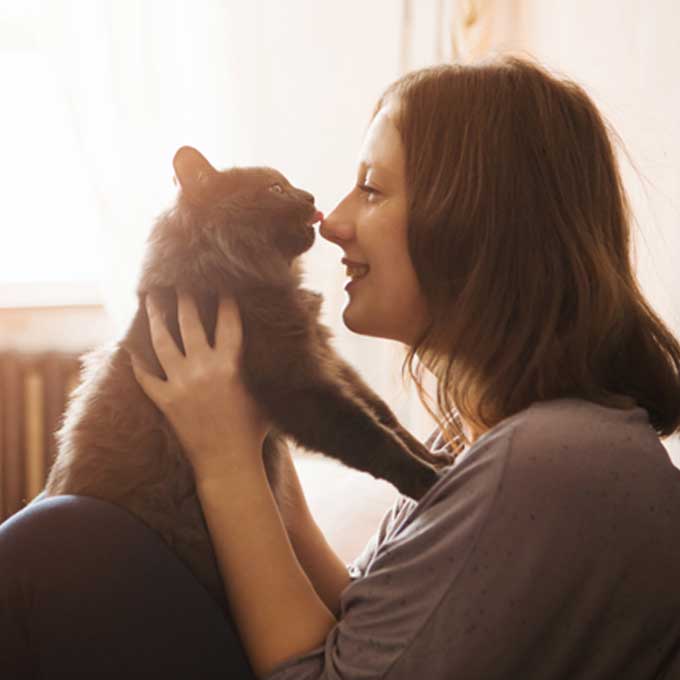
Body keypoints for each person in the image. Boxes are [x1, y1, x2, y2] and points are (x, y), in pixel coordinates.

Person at [2, 54, 680, 679]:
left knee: (53, 546)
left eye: (373, 190)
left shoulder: (543, 460)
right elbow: (364, 619)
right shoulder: (489, 441)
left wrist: (226, 465)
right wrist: (255, 443)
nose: (333, 221)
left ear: (476, 223)